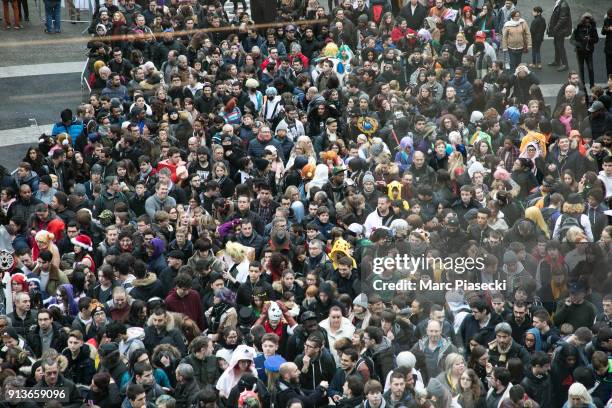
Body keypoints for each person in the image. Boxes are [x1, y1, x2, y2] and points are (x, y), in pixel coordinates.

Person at [571, 13, 599, 91]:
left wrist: (590, 39)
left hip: (589, 51)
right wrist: (579, 45)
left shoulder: (593, 28)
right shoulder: (578, 28)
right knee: (581, 68)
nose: (587, 22)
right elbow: (572, 40)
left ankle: (592, 84)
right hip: (580, 52)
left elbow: (596, 39)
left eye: (588, 21)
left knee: (590, 68)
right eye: (586, 21)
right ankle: (582, 84)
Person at [548, 0, 572, 71]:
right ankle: (557, 61)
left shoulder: (563, 5)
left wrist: (555, 28)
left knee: (560, 46)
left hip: (560, 30)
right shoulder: (559, 3)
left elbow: (563, 18)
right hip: (559, 30)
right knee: (556, 44)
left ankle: (565, 64)